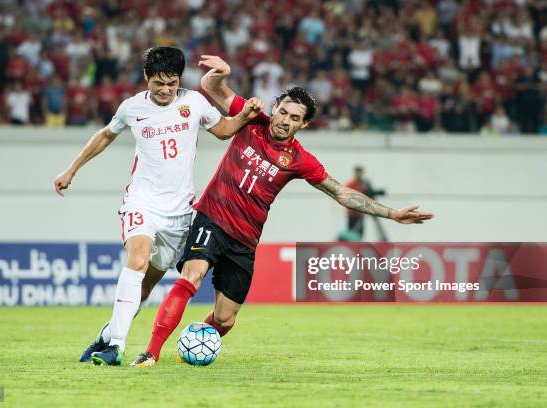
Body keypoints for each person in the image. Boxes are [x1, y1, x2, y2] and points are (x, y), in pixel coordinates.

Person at [130, 55, 434, 367]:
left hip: (244, 241)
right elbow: (211, 87)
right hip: (212, 216)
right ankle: (151, 352)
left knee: (226, 318)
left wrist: (393, 213)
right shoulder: (251, 118)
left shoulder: (301, 160)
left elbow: (342, 193)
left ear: (304, 124)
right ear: (275, 108)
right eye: (283, 111)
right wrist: (221, 73)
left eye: (294, 117)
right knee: (193, 274)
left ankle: (195, 341)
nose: (284, 120)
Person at [53, 47, 263, 366]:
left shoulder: (193, 102)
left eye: (172, 83)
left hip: (179, 214)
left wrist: (244, 117)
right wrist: (71, 169)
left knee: (146, 285)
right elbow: (105, 135)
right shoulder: (132, 107)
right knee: (136, 261)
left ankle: (108, 334)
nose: (166, 90)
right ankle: (117, 348)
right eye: (159, 83)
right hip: (142, 201)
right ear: (146, 78)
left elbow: (222, 131)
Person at [343, 165, 385, 240]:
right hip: (353, 212)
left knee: (360, 233)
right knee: (352, 233)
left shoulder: (363, 183)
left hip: (361, 212)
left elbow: (367, 193)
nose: (360, 175)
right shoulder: (351, 184)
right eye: (358, 173)